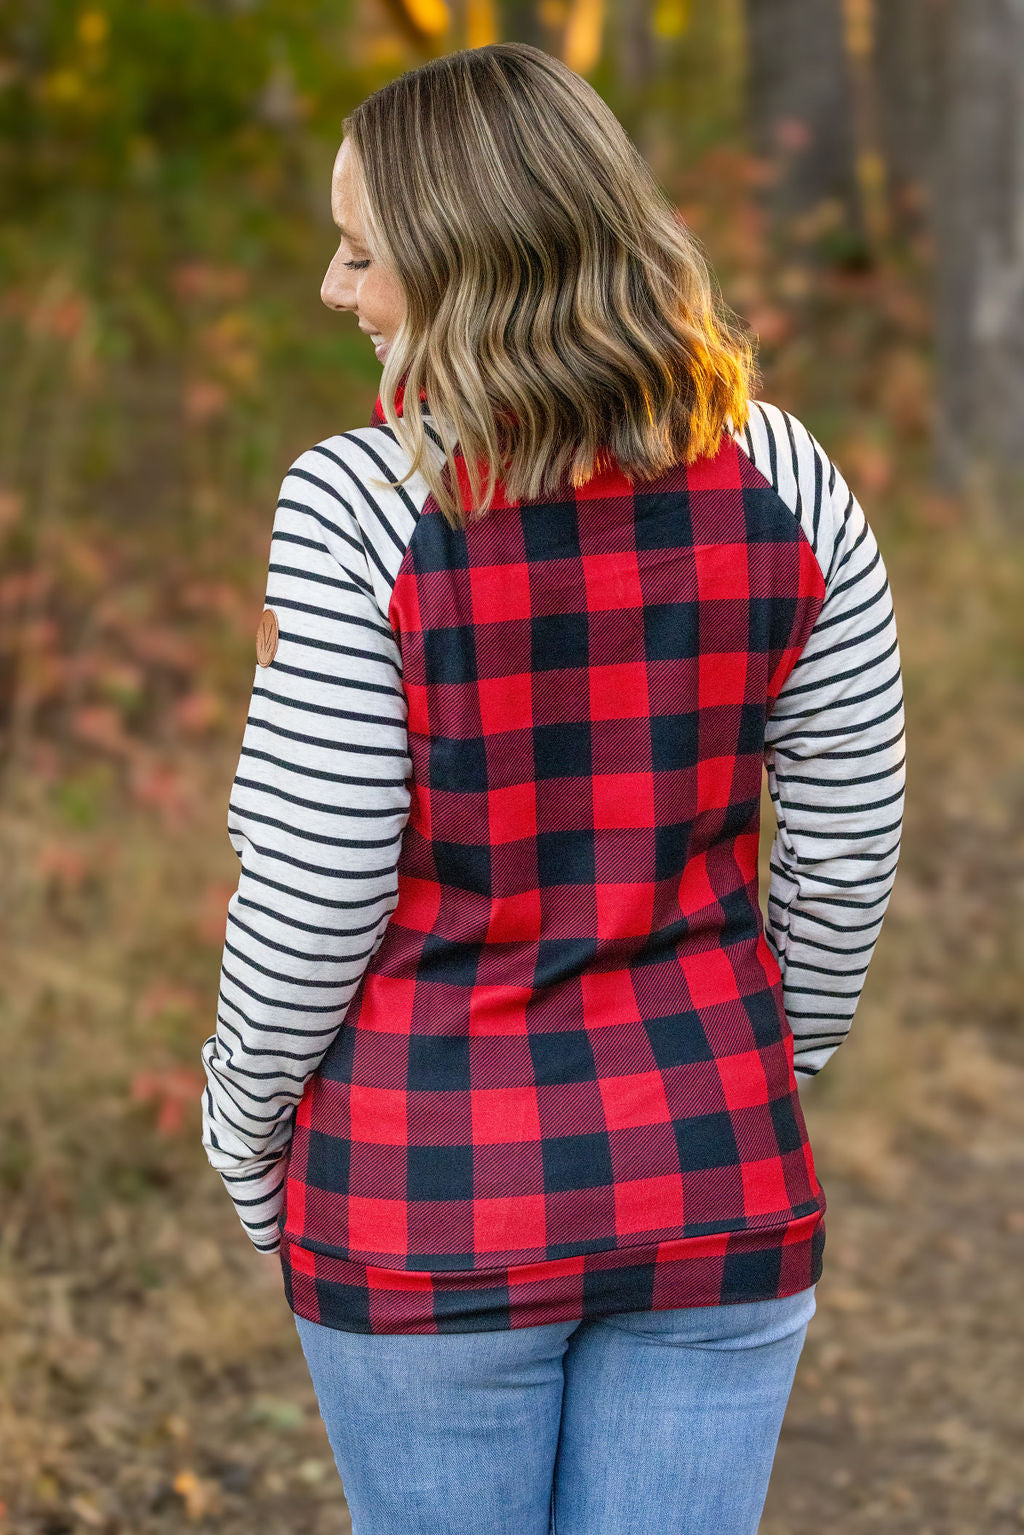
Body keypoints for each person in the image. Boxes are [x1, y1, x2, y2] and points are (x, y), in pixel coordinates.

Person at [199, 41, 906, 1535]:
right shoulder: (787, 474)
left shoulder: (356, 506)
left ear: (471, 269)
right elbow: (846, 852)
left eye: (362, 255)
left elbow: (315, 886)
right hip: (716, 1166)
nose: (338, 292)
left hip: (419, 1190)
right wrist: (762, 1077)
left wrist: (246, 1133)